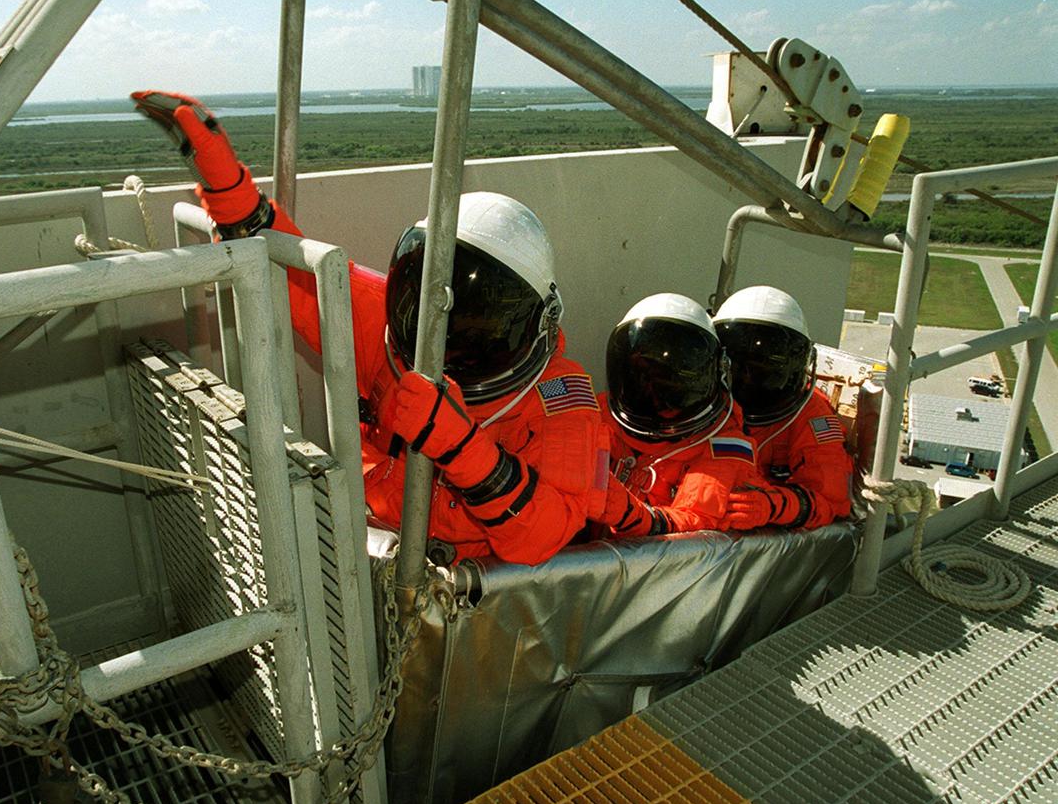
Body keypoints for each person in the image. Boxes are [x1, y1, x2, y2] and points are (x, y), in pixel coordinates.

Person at [133, 89, 603, 566]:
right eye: (444, 308)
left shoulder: (562, 405)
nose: (447, 333)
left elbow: (545, 536)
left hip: (472, 596)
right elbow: (299, 278)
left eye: (481, 319)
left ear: (537, 323)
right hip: (370, 551)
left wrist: (461, 447)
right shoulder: (394, 320)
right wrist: (224, 181)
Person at [593, 293, 759, 537]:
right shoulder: (598, 414)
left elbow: (699, 521)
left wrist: (632, 515)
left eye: (667, 378)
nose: (655, 389)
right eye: (645, 374)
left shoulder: (726, 444)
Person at [712, 285, 852, 530]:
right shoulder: (703, 404)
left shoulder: (811, 416)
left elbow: (831, 499)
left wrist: (773, 506)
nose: (747, 377)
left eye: (763, 366)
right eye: (738, 364)